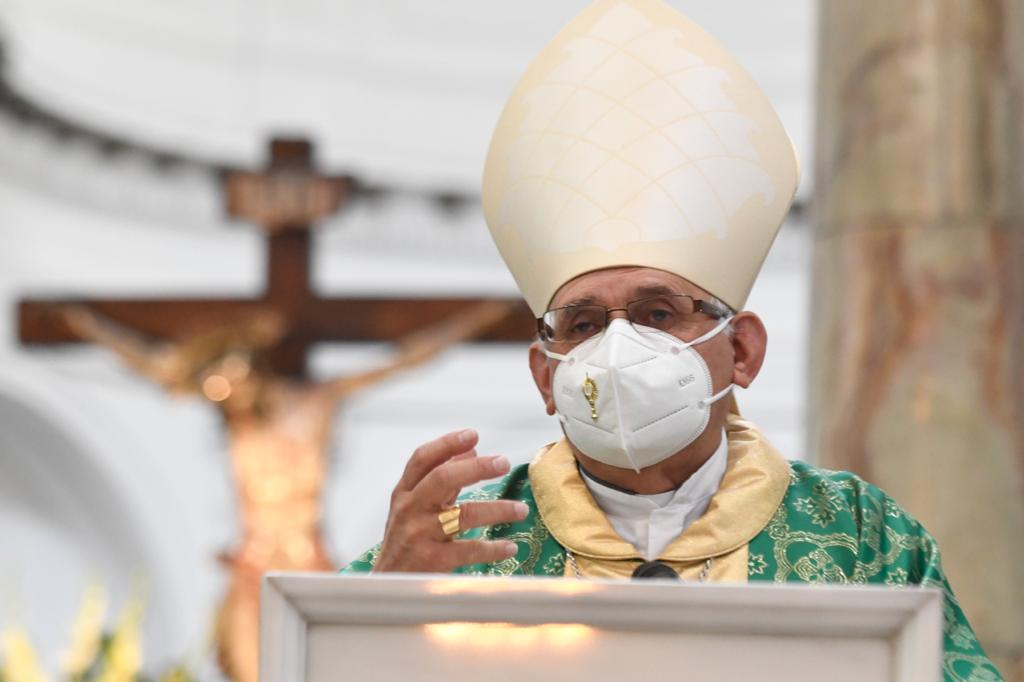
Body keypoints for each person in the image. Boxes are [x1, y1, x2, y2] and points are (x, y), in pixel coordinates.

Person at [344, 1, 1001, 679]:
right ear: (546, 377)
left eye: (658, 314)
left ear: (741, 350)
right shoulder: (459, 541)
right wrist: (378, 609)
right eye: (584, 324)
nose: (618, 347)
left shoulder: (860, 537)